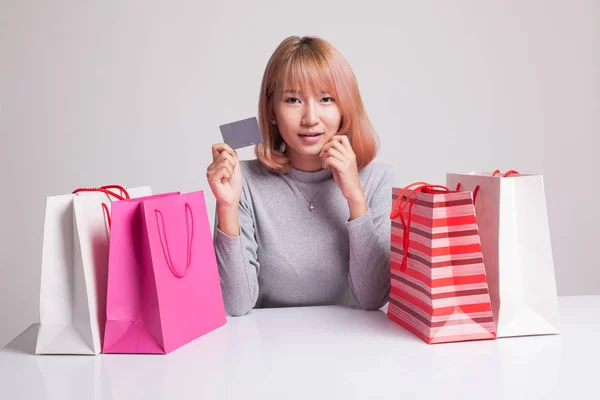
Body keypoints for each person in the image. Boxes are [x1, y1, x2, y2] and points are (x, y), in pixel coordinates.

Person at [206, 36, 395, 316]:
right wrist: (226, 206)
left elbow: (372, 299)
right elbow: (234, 305)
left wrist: (355, 197)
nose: (310, 117)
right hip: (265, 351)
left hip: (354, 350)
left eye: (326, 99)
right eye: (293, 99)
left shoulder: (376, 179)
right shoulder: (242, 180)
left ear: (345, 108)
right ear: (272, 110)